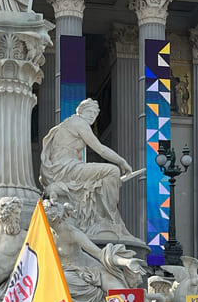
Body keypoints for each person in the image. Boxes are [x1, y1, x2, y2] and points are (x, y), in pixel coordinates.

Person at [40, 99, 135, 240]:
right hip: (66, 168)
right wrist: (122, 162)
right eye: (89, 112)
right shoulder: (79, 123)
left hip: (63, 167)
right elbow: (100, 149)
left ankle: (103, 218)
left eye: (95, 114)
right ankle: (108, 219)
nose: (92, 116)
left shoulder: (68, 123)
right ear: (80, 111)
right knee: (113, 171)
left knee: (104, 176)